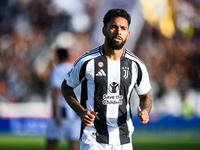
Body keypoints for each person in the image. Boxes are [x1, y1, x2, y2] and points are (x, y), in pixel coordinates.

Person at [61, 8, 152, 150]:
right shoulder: (87, 61)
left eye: (123, 28)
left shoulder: (136, 65)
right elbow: (66, 87)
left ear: (128, 34)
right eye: (114, 27)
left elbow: (145, 96)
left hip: (124, 139)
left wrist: (145, 111)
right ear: (104, 30)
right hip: (93, 137)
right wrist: (80, 111)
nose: (118, 32)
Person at [45, 48, 81, 150]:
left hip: (61, 111)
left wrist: (56, 114)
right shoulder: (75, 69)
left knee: (51, 144)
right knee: (74, 145)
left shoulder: (57, 70)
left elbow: (56, 92)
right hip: (74, 112)